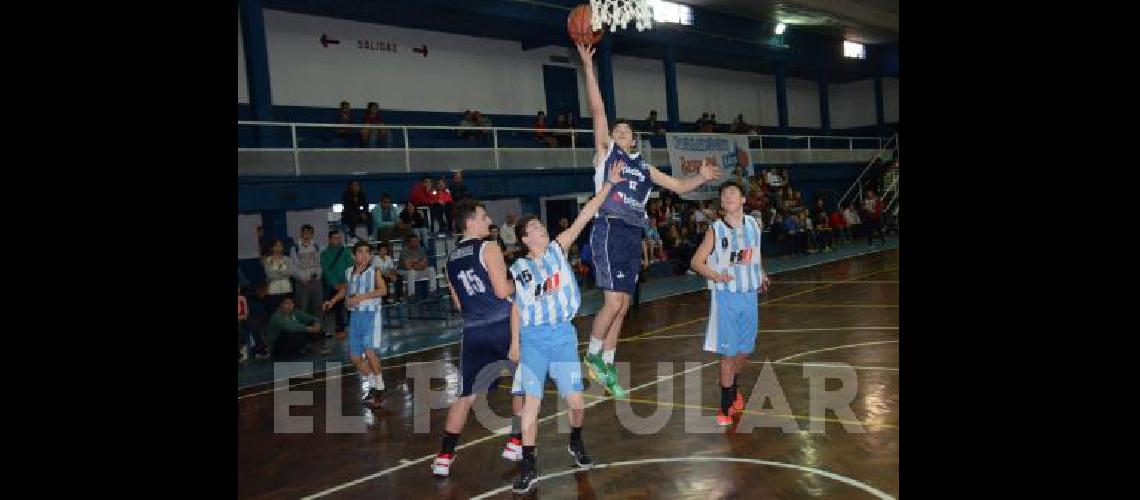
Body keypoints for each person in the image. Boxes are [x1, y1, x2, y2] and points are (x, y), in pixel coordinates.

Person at [576, 42, 723, 398]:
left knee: (623, 306)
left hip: (632, 233)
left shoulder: (644, 166)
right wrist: (588, 67)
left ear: (634, 138)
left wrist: (701, 178)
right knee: (612, 302)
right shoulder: (607, 153)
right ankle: (592, 356)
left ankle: (607, 365)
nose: (619, 132)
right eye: (616, 130)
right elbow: (597, 110)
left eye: (625, 130)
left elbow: (677, 185)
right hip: (609, 226)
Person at [507, 159, 624, 494]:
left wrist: (609, 185)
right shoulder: (518, 268)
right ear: (526, 239)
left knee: (576, 403)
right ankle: (528, 464)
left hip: (562, 335)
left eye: (543, 228)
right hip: (533, 339)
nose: (543, 231)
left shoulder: (559, 249)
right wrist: (514, 341)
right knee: (532, 402)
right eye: (536, 230)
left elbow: (586, 214)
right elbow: (517, 306)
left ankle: (575, 441)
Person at [431, 199, 524, 477]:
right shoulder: (490, 247)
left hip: (473, 331)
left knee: (465, 397)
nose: (488, 221)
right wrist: (521, 281)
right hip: (502, 326)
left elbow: (459, 304)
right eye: (483, 217)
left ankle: (444, 457)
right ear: (469, 221)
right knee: (523, 386)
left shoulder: (448, 260)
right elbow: (500, 290)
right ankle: (516, 442)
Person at [689, 180, 770, 426]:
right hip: (726, 297)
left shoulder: (754, 225)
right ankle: (726, 404)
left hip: (749, 295)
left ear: (743, 199)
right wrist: (715, 276)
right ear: (722, 203)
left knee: (745, 349)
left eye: (733, 192)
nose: (728, 196)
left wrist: (762, 273)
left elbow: (755, 255)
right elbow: (696, 262)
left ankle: (732, 386)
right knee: (728, 353)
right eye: (724, 195)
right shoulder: (715, 229)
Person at [323, 240, 387, 408]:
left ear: (371, 255)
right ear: (353, 255)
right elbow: (345, 289)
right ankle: (374, 385)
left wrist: (360, 298)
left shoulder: (374, 271)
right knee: (355, 357)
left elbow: (383, 290)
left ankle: (380, 388)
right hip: (355, 317)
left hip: (371, 315)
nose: (364, 255)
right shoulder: (349, 271)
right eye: (360, 251)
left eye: (367, 252)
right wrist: (333, 300)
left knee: (369, 351)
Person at [290, 224, 331, 354]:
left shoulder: (317, 246)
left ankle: (318, 335)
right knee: (303, 309)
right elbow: (293, 267)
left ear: (312, 234)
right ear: (301, 234)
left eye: (309, 233)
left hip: (316, 281)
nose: (307, 235)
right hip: (302, 282)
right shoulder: (295, 248)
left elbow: (319, 263)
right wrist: (302, 277)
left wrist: (317, 275)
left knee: (318, 308)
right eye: (305, 232)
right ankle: (304, 339)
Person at [320, 230, 353, 339]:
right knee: (332, 307)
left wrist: (345, 282)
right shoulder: (324, 254)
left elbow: (350, 266)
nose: (338, 240)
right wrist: (335, 284)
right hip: (331, 284)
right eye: (335, 238)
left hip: (345, 283)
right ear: (329, 239)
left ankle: (348, 328)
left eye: (339, 238)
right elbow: (325, 271)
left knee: (348, 306)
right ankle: (333, 329)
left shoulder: (345, 252)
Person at [262, 240, 293, 316]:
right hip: (273, 291)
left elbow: (290, 273)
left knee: (287, 313)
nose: (278, 248)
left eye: (280, 246)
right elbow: (270, 275)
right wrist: (283, 272)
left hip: (286, 290)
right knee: (274, 313)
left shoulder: (287, 259)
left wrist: (277, 271)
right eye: (276, 246)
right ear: (272, 247)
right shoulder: (268, 260)